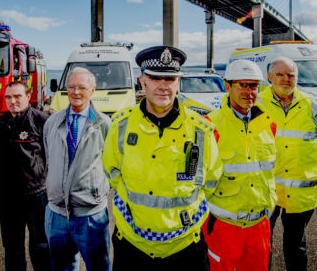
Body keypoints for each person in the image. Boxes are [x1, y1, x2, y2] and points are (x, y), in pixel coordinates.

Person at [102, 45, 223, 271]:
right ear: (142, 81)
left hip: (184, 246)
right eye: (155, 77)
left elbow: (211, 181)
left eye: (170, 78)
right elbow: (112, 171)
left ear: (178, 82)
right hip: (132, 244)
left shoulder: (201, 130)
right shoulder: (121, 125)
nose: (163, 85)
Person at [258, 57, 317, 271]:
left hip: (301, 191)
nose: (286, 79)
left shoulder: (314, 105)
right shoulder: (256, 104)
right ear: (269, 77)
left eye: (291, 75)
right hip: (266, 189)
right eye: (280, 74)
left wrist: (304, 156)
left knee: (296, 244)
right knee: (262, 242)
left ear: (297, 77)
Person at [204, 60, 277, 271]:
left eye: (253, 86)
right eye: (242, 85)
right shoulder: (210, 125)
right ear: (227, 86)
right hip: (222, 226)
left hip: (259, 225)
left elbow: (269, 171)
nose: (249, 92)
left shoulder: (268, 124)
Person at [43, 67, 111, 271]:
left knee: (98, 267)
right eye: (71, 87)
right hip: (56, 214)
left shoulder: (105, 124)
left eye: (82, 87)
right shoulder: (53, 122)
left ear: (93, 90)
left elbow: (111, 164)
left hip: (91, 215)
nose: (76, 92)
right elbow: (49, 156)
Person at [0, 81, 51, 271]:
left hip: (36, 195)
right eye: (8, 97)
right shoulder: (0, 123)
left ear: (28, 96)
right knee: (12, 247)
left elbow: (51, 156)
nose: (12, 101)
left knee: (41, 245)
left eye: (17, 96)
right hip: (9, 196)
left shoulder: (42, 120)